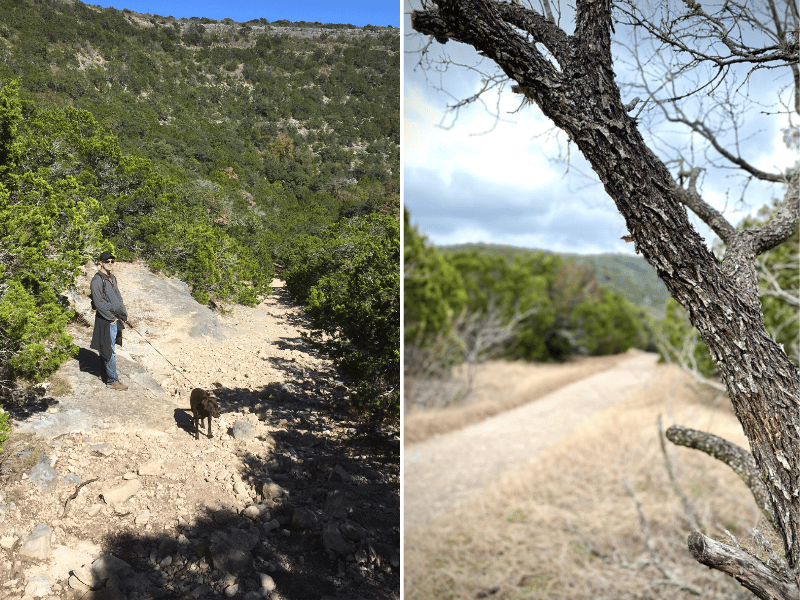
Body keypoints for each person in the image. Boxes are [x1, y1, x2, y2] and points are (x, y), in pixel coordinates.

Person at [90, 251, 130, 391]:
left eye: (112, 261)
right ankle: (112, 380)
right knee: (109, 350)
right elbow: (99, 302)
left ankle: (105, 374)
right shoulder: (96, 280)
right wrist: (111, 318)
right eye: (107, 261)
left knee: (107, 348)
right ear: (101, 263)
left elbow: (118, 296)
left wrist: (123, 313)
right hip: (105, 319)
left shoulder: (112, 277)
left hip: (114, 318)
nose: (110, 264)